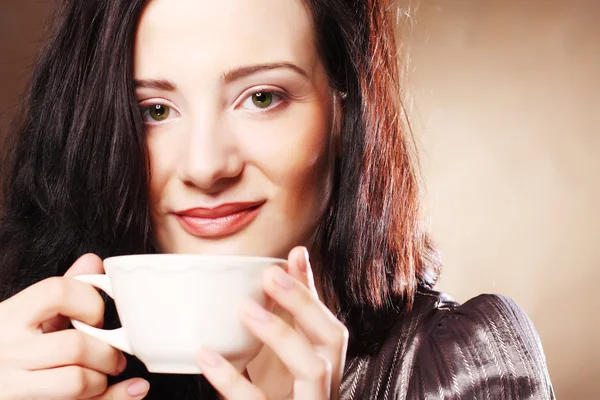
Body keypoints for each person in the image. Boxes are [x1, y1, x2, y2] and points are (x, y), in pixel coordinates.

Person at [0, 0, 555, 399]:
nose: (205, 166)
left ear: (345, 111)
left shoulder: (462, 365)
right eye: (155, 110)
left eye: (262, 97)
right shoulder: (28, 357)